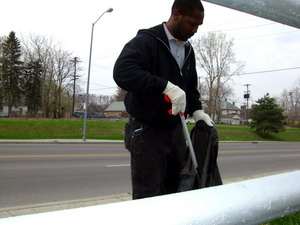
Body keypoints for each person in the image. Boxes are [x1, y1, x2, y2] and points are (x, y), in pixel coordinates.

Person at [113, 0, 213, 199]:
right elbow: (123, 72)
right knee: (148, 195)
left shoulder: (188, 50)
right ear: (176, 14)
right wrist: (164, 86)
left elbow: (189, 89)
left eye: (198, 25)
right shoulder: (146, 41)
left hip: (175, 131)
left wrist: (197, 111)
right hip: (147, 130)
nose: (195, 30)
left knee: (176, 191)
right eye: (191, 23)